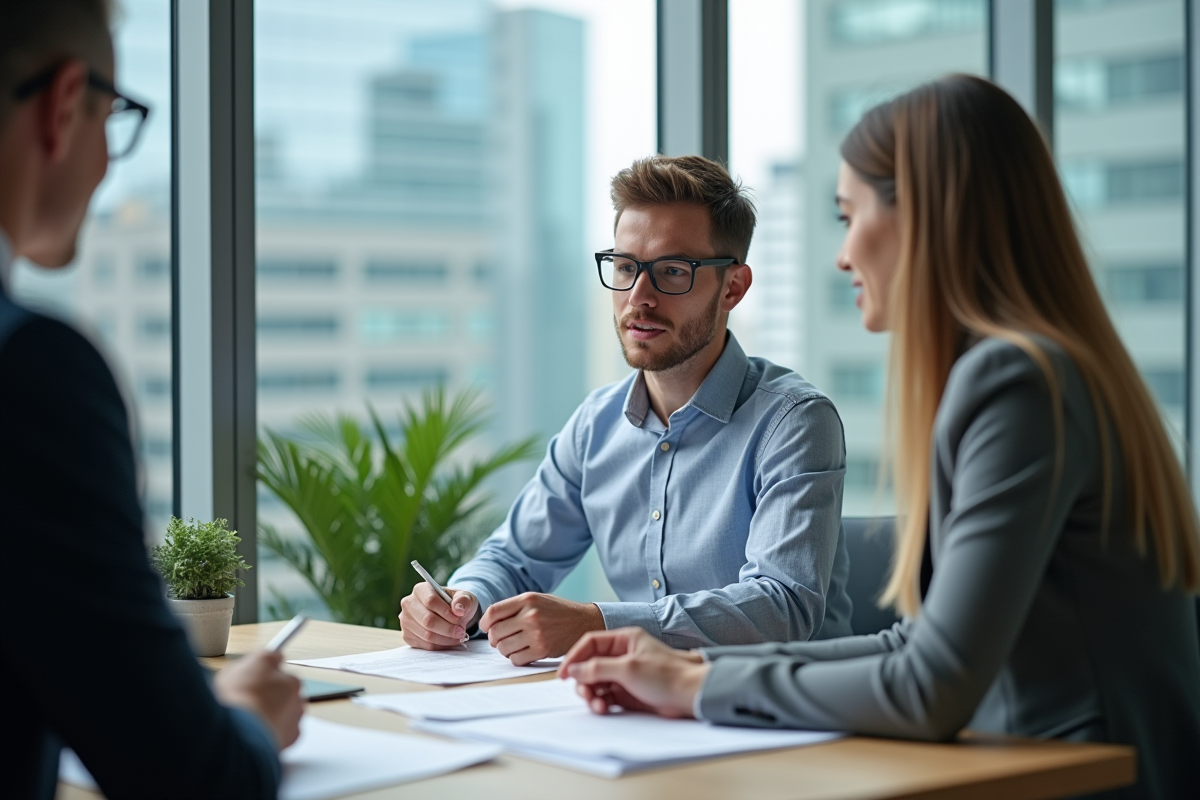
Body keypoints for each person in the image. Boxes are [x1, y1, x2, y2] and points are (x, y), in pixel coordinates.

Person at [558, 74, 1200, 800]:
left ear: (924, 220)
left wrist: (693, 688)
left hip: (1069, 781)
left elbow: (931, 686)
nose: (842, 255)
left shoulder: (1015, 383)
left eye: (848, 215)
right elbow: (917, 647)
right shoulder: (1031, 369)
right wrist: (694, 670)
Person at [1, 2, 302, 798]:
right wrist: (246, 715)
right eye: (113, 117)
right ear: (65, 104)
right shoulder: (30, 373)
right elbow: (192, 777)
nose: (106, 162)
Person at [399, 155, 853, 664]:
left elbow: (782, 605)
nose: (639, 297)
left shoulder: (794, 422)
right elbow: (514, 558)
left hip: (779, 702)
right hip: (636, 701)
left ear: (733, 287)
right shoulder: (596, 424)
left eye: (673, 272)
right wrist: (462, 602)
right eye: (625, 267)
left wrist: (598, 625)